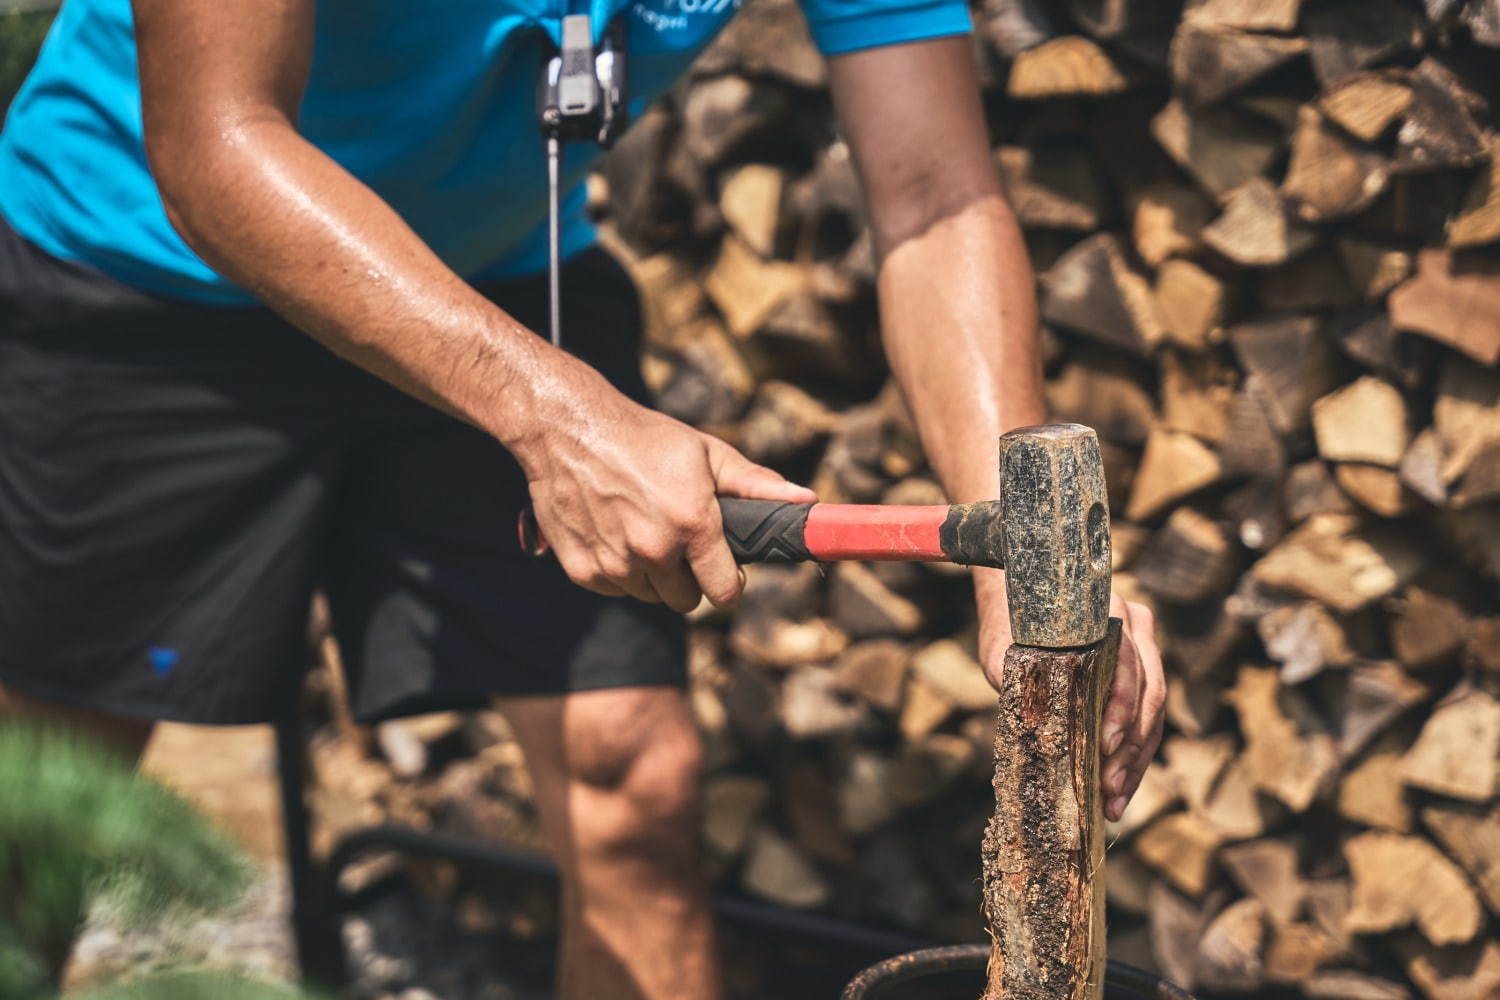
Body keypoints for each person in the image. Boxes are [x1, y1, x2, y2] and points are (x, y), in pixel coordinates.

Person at [0, 1, 1166, 997]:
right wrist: (559, 420)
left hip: (491, 282)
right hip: (139, 282)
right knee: (46, 801)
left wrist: (1023, 537)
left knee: (633, 775)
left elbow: (933, 194)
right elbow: (215, 139)